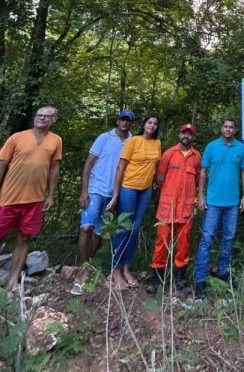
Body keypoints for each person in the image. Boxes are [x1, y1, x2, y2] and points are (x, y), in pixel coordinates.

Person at [70, 110, 134, 295]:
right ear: (117, 120)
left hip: (114, 193)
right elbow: (89, 163)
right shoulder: (104, 138)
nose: (124, 123)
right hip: (95, 189)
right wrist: (84, 190)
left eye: (128, 120)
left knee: (99, 232)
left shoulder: (132, 141)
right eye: (122, 119)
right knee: (86, 228)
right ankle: (83, 271)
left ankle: (89, 265)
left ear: (131, 123)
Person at [0, 106, 62, 291]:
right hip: (8, 197)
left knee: (24, 238)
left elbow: (54, 168)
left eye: (46, 116)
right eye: (39, 115)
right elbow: (2, 164)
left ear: (53, 120)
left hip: (35, 200)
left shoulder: (56, 140)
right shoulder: (17, 137)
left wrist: (50, 195)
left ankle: (13, 280)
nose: (41, 118)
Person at [194, 118, 244, 300]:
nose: (228, 129)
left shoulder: (240, 148)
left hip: (232, 202)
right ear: (221, 128)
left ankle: (223, 271)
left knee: (228, 238)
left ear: (235, 130)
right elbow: (202, 172)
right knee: (207, 239)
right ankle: (200, 280)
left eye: (231, 127)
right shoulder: (211, 147)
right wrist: (200, 196)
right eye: (225, 126)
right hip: (213, 203)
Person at [107, 115, 161, 289]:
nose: (152, 125)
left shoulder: (157, 144)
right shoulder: (133, 141)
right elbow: (120, 168)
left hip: (145, 190)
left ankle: (126, 268)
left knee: (135, 228)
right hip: (128, 187)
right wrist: (116, 195)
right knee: (125, 227)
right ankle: (115, 271)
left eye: (155, 124)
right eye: (149, 122)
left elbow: (155, 169)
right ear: (144, 125)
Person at [145, 123, 201, 295]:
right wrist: (169, 192)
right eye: (184, 132)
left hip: (186, 208)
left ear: (193, 136)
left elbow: (198, 179)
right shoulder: (169, 153)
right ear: (179, 134)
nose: (187, 136)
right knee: (161, 243)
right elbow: (160, 177)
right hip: (167, 207)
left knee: (183, 245)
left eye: (190, 134)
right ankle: (156, 279)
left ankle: (180, 280)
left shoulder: (197, 156)